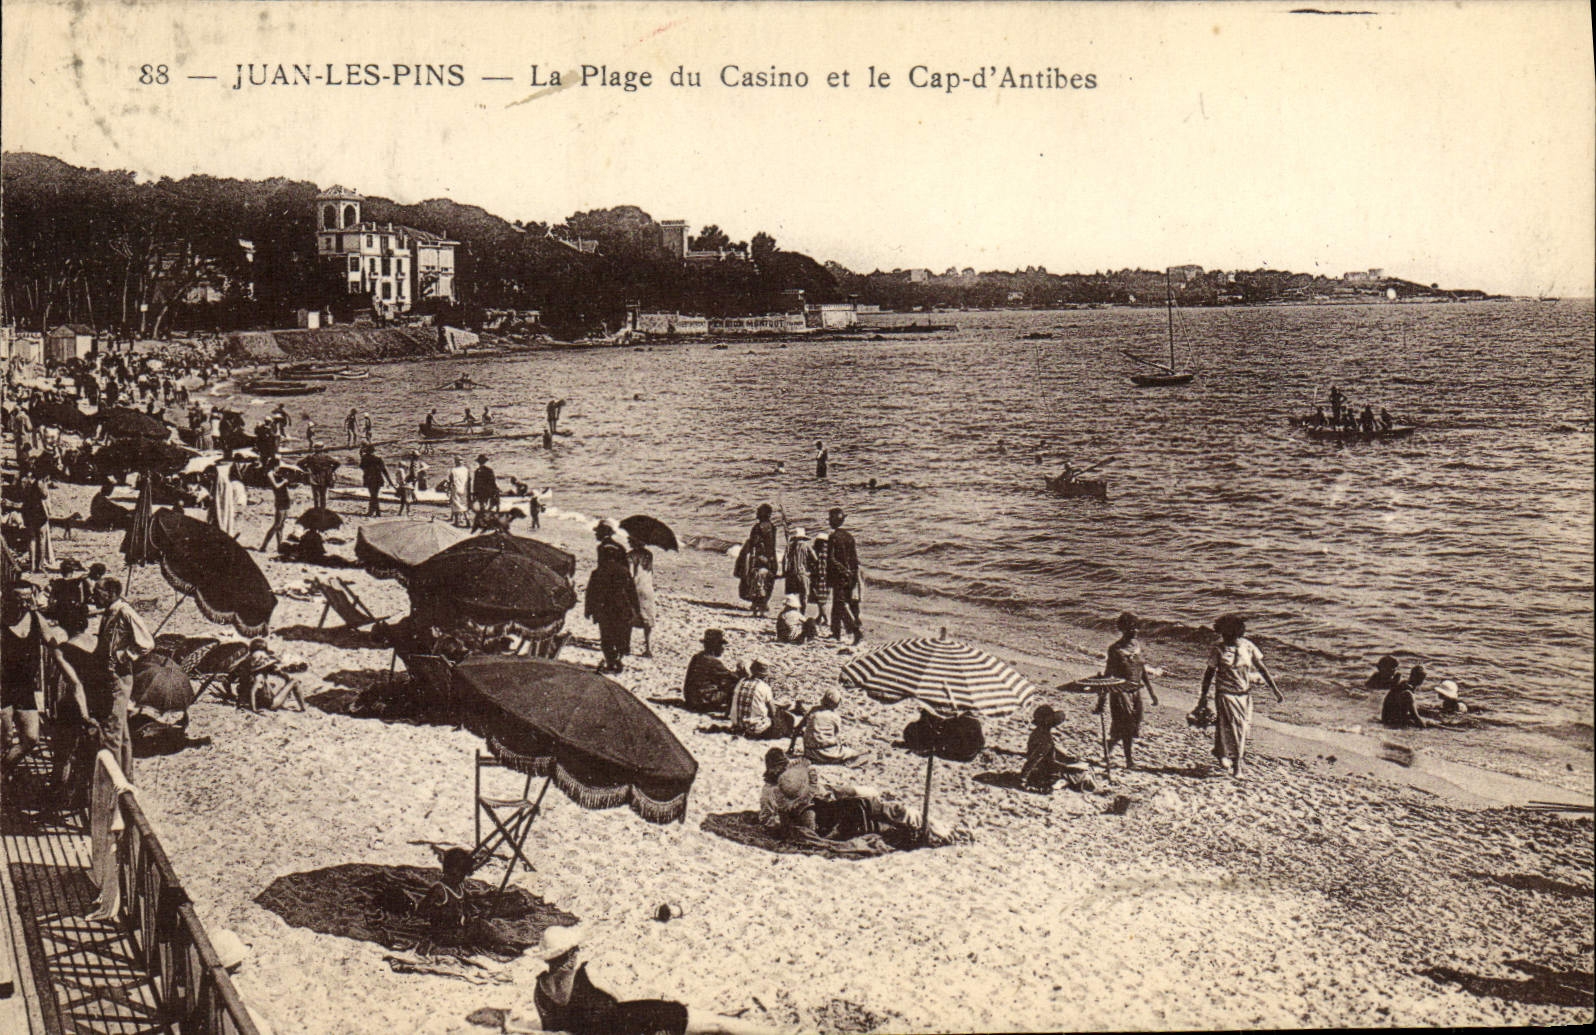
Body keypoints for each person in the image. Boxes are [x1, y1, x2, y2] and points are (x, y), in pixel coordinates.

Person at [533, 925, 688, 1035]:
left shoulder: (540, 990)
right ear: (569, 954)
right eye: (574, 949)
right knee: (676, 1011)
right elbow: (619, 1001)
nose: (577, 952)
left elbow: (549, 1028)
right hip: (614, 1028)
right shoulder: (587, 974)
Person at [1196, 614, 1283, 778]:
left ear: (1237, 634)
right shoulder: (1218, 649)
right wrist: (1203, 695)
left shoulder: (1248, 647)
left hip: (1244, 695)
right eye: (1223, 635)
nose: (1225, 638)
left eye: (1228, 635)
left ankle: (1219, 751)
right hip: (1224, 694)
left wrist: (1275, 689)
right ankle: (1237, 766)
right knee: (1236, 729)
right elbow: (1209, 674)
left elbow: (1262, 668)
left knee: (1236, 728)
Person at [91, 577, 153, 778]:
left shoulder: (125, 612)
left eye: (97, 591)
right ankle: (127, 776)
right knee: (121, 730)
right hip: (109, 676)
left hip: (119, 677)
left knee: (112, 732)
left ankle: (113, 784)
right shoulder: (111, 611)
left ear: (110, 594)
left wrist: (123, 655)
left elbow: (146, 644)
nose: (93, 595)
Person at [1097, 612, 1160, 769]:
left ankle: (1108, 749)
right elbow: (1108, 674)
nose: (1136, 631)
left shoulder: (1136, 647)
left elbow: (1142, 670)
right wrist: (1101, 700)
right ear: (1123, 629)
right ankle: (1129, 761)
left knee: (1131, 725)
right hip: (1120, 692)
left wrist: (1152, 693)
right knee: (1127, 724)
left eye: (1137, 628)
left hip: (1136, 691)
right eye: (1132, 628)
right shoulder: (1115, 650)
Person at [2, 584, 45, 782]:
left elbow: (52, 638)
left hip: (25, 688)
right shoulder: (2, 622)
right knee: (4, 739)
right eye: (19, 599)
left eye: (28, 598)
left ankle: (3, 769)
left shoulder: (35, 618)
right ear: (9, 600)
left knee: (31, 738)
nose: (24, 603)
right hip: (3, 688)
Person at [584, 523, 640, 674]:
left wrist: (589, 609)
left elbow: (591, 591)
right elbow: (631, 591)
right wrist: (636, 609)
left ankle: (611, 660)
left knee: (606, 636)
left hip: (604, 607)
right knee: (621, 633)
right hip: (621, 607)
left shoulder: (598, 571)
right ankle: (618, 659)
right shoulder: (623, 570)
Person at [1019, 705, 1095, 793]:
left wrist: (1067, 758)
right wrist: (1023, 778)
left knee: (1079, 767)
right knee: (1083, 772)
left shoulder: (1037, 732)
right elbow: (1035, 759)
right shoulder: (1045, 739)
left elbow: (1045, 753)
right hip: (1045, 772)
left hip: (1040, 769)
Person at [234, 638, 306, 712]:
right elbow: (282, 675)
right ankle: (303, 708)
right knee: (294, 681)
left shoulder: (246, 667)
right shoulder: (262, 673)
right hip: (270, 703)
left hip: (255, 701)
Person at [730, 659, 796, 740]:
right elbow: (773, 712)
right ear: (765, 675)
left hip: (738, 725)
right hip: (755, 729)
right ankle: (788, 733)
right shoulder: (764, 687)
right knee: (785, 717)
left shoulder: (741, 682)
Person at [825, 508, 863, 644]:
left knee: (839, 604)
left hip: (839, 576)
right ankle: (835, 633)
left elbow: (831, 559)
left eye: (830, 519)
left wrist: (842, 570)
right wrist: (852, 574)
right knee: (843, 604)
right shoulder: (849, 537)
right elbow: (855, 559)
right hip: (851, 576)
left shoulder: (833, 537)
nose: (829, 521)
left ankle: (855, 630)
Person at [683, 629, 741, 714]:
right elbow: (733, 677)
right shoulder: (713, 662)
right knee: (735, 686)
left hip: (690, 698)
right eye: (721, 645)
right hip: (702, 702)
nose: (723, 648)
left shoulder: (697, 657)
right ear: (715, 646)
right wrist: (741, 671)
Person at [735, 504, 780, 616]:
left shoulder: (757, 527)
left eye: (759, 512)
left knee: (755, 581)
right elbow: (771, 546)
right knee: (768, 581)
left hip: (759, 558)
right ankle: (763, 604)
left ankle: (756, 604)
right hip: (771, 558)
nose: (757, 514)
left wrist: (750, 559)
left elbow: (754, 544)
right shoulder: (773, 527)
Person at [800, 688, 859, 763]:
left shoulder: (813, 710)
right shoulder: (835, 717)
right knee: (854, 753)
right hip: (826, 754)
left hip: (809, 752)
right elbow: (837, 736)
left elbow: (799, 727)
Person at [628, 536, 657, 658]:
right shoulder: (649, 555)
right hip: (647, 589)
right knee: (648, 620)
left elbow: (629, 574)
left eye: (630, 539)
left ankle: (627, 646)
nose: (628, 541)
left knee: (628, 618)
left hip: (635, 589)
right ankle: (648, 648)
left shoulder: (629, 556)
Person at [21, 471, 54, 572]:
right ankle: (40, 565)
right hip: (38, 512)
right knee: (42, 539)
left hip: (27, 511)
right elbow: (44, 495)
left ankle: (32, 565)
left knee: (31, 539)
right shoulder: (39, 483)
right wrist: (45, 484)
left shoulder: (25, 482)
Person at [1381, 664, 1428, 729]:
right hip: (1391, 722)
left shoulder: (1402, 685)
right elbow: (1415, 717)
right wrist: (1424, 727)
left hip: (1387, 719)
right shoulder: (1408, 693)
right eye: (1422, 678)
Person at [260, 459, 291, 553]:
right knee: (277, 525)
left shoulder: (277, 473)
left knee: (281, 525)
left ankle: (279, 546)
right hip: (280, 499)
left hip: (285, 498)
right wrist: (284, 481)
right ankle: (264, 546)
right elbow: (276, 486)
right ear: (274, 465)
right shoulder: (270, 474)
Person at [781, 526, 815, 612]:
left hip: (791, 573)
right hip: (802, 573)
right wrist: (811, 570)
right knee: (804, 595)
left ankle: (792, 611)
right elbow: (815, 559)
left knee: (792, 594)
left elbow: (784, 560)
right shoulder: (807, 546)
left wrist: (784, 572)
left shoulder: (790, 546)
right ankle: (802, 613)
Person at [359, 444, 390, 517]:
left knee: (373, 495)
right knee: (375, 495)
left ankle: (371, 512)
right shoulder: (378, 459)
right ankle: (377, 512)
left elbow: (362, 467)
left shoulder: (364, 458)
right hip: (378, 479)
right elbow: (384, 470)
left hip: (369, 479)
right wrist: (389, 480)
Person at [471, 454, 499, 527]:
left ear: (479, 463)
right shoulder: (489, 470)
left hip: (480, 492)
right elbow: (492, 481)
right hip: (488, 491)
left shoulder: (477, 471)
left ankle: (484, 521)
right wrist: (495, 490)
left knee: (482, 507)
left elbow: (475, 483)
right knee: (489, 507)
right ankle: (488, 521)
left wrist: (474, 493)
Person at [448, 455, 471, 527]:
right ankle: (468, 521)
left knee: (456, 505)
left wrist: (449, 489)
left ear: (455, 462)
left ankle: (457, 522)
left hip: (456, 489)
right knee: (464, 505)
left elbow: (451, 480)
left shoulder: (453, 470)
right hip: (464, 489)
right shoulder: (466, 470)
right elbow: (469, 479)